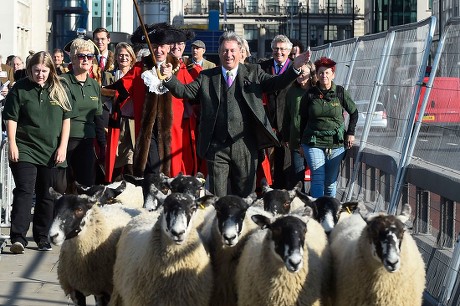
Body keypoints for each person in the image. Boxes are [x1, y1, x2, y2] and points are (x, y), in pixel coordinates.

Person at [161, 31, 310, 197]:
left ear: (240, 52)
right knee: (217, 197)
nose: (228, 55)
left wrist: (294, 68)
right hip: (217, 146)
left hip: (246, 146)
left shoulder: (254, 72)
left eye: (232, 51)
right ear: (219, 53)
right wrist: (169, 78)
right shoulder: (207, 77)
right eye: (225, 51)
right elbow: (185, 91)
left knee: (245, 196)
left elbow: (276, 83)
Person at [3, 51, 73, 253]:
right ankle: (18, 237)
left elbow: (66, 120)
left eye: (44, 71)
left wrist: (63, 147)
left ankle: (43, 236)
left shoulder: (60, 88)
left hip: (51, 150)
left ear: (50, 70)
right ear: (29, 69)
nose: (40, 74)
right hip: (25, 148)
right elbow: (11, 119)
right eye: (36, 70)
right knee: (25, 191)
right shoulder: (20, 89)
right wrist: (13, 144)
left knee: (46, 194)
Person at [299, 57, 358, 198]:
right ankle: (318, 212)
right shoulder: (310, 94)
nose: (323, 76)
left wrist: (350, 133)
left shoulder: (340, 92)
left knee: (330, 182)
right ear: (316, 75)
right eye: (320, 73)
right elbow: (302, 119)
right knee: (318, 177)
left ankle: (330, 211)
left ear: (333, 74)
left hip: (336, 143)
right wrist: (301, 143)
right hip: (314, 142)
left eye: (327, 73)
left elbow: (354, 112)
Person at [61, 38, 104, 191]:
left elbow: (97, 116)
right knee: (62, 186)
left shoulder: (94, 85)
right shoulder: (62, 82)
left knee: (86, 186)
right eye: (81, 56)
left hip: (87, 141)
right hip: (65, 141)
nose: (86, 59)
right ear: (72, 58)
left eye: (90, 56)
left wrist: (103, 144)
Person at [259, 35, 295, 189]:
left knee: (286, 165)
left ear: (289, 51)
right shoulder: (262, 67)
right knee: (268, 165)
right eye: (275, 49)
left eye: (282, 49)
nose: (278, 52)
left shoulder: (296, 68)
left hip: (288, 125)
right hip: (268, 124)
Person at [169, 31, 203, 176]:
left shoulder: (192, 69)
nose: (177, 47)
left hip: (187, 122)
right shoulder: (159, 67)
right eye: (174, 43)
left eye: (181, 44)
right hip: (169, 121)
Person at [105, 42, 137, 182]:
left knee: (132, 156)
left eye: (126, 55)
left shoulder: (138, 75)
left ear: (132, 57)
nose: (123, 58)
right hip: (115, 119)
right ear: (116, 58)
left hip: (133, 121)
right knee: (116, 159)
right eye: (120, 55)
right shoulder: (108, 76)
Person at [282, 61, 317, 191]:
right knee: (298, 173)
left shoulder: (316, 90)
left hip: (315, 140)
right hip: (296, 139)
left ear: (311, 75)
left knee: (316, 173)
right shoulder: (292, 91)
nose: (300, 76)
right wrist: (285, 136)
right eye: (298, 74)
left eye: (303, 73)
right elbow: (287, 116)